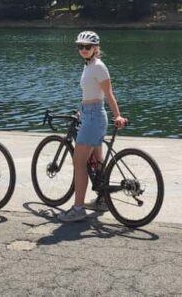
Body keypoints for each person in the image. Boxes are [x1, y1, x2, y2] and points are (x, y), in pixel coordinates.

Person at [59, 31, 128, 222]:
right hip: (89, 115)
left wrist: (118, 115)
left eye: (87, 47)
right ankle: (102, 199)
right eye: (80, 46)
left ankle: (78, 209)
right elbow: (91, 93)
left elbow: (108, 94)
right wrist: (82, 109)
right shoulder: (88, 66)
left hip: (95, 118)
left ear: (96, 48)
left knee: (78, 163)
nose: (83, 50)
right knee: (97, 162)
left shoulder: (99, 67)